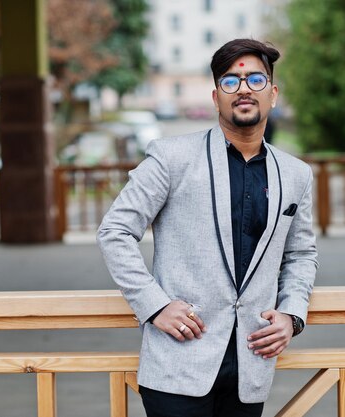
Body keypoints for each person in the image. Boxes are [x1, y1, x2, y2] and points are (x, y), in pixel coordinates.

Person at [96, 39, 318, 417]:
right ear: (216, 97)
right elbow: (115, 231)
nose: (244, 88)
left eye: (255, 79)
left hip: (251, 366)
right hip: (178, 363)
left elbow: (300, 254)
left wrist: (292, 314)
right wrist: (155, 306)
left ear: (273, 94)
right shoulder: (171, 157)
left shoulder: (296, 174)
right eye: (231, 81)